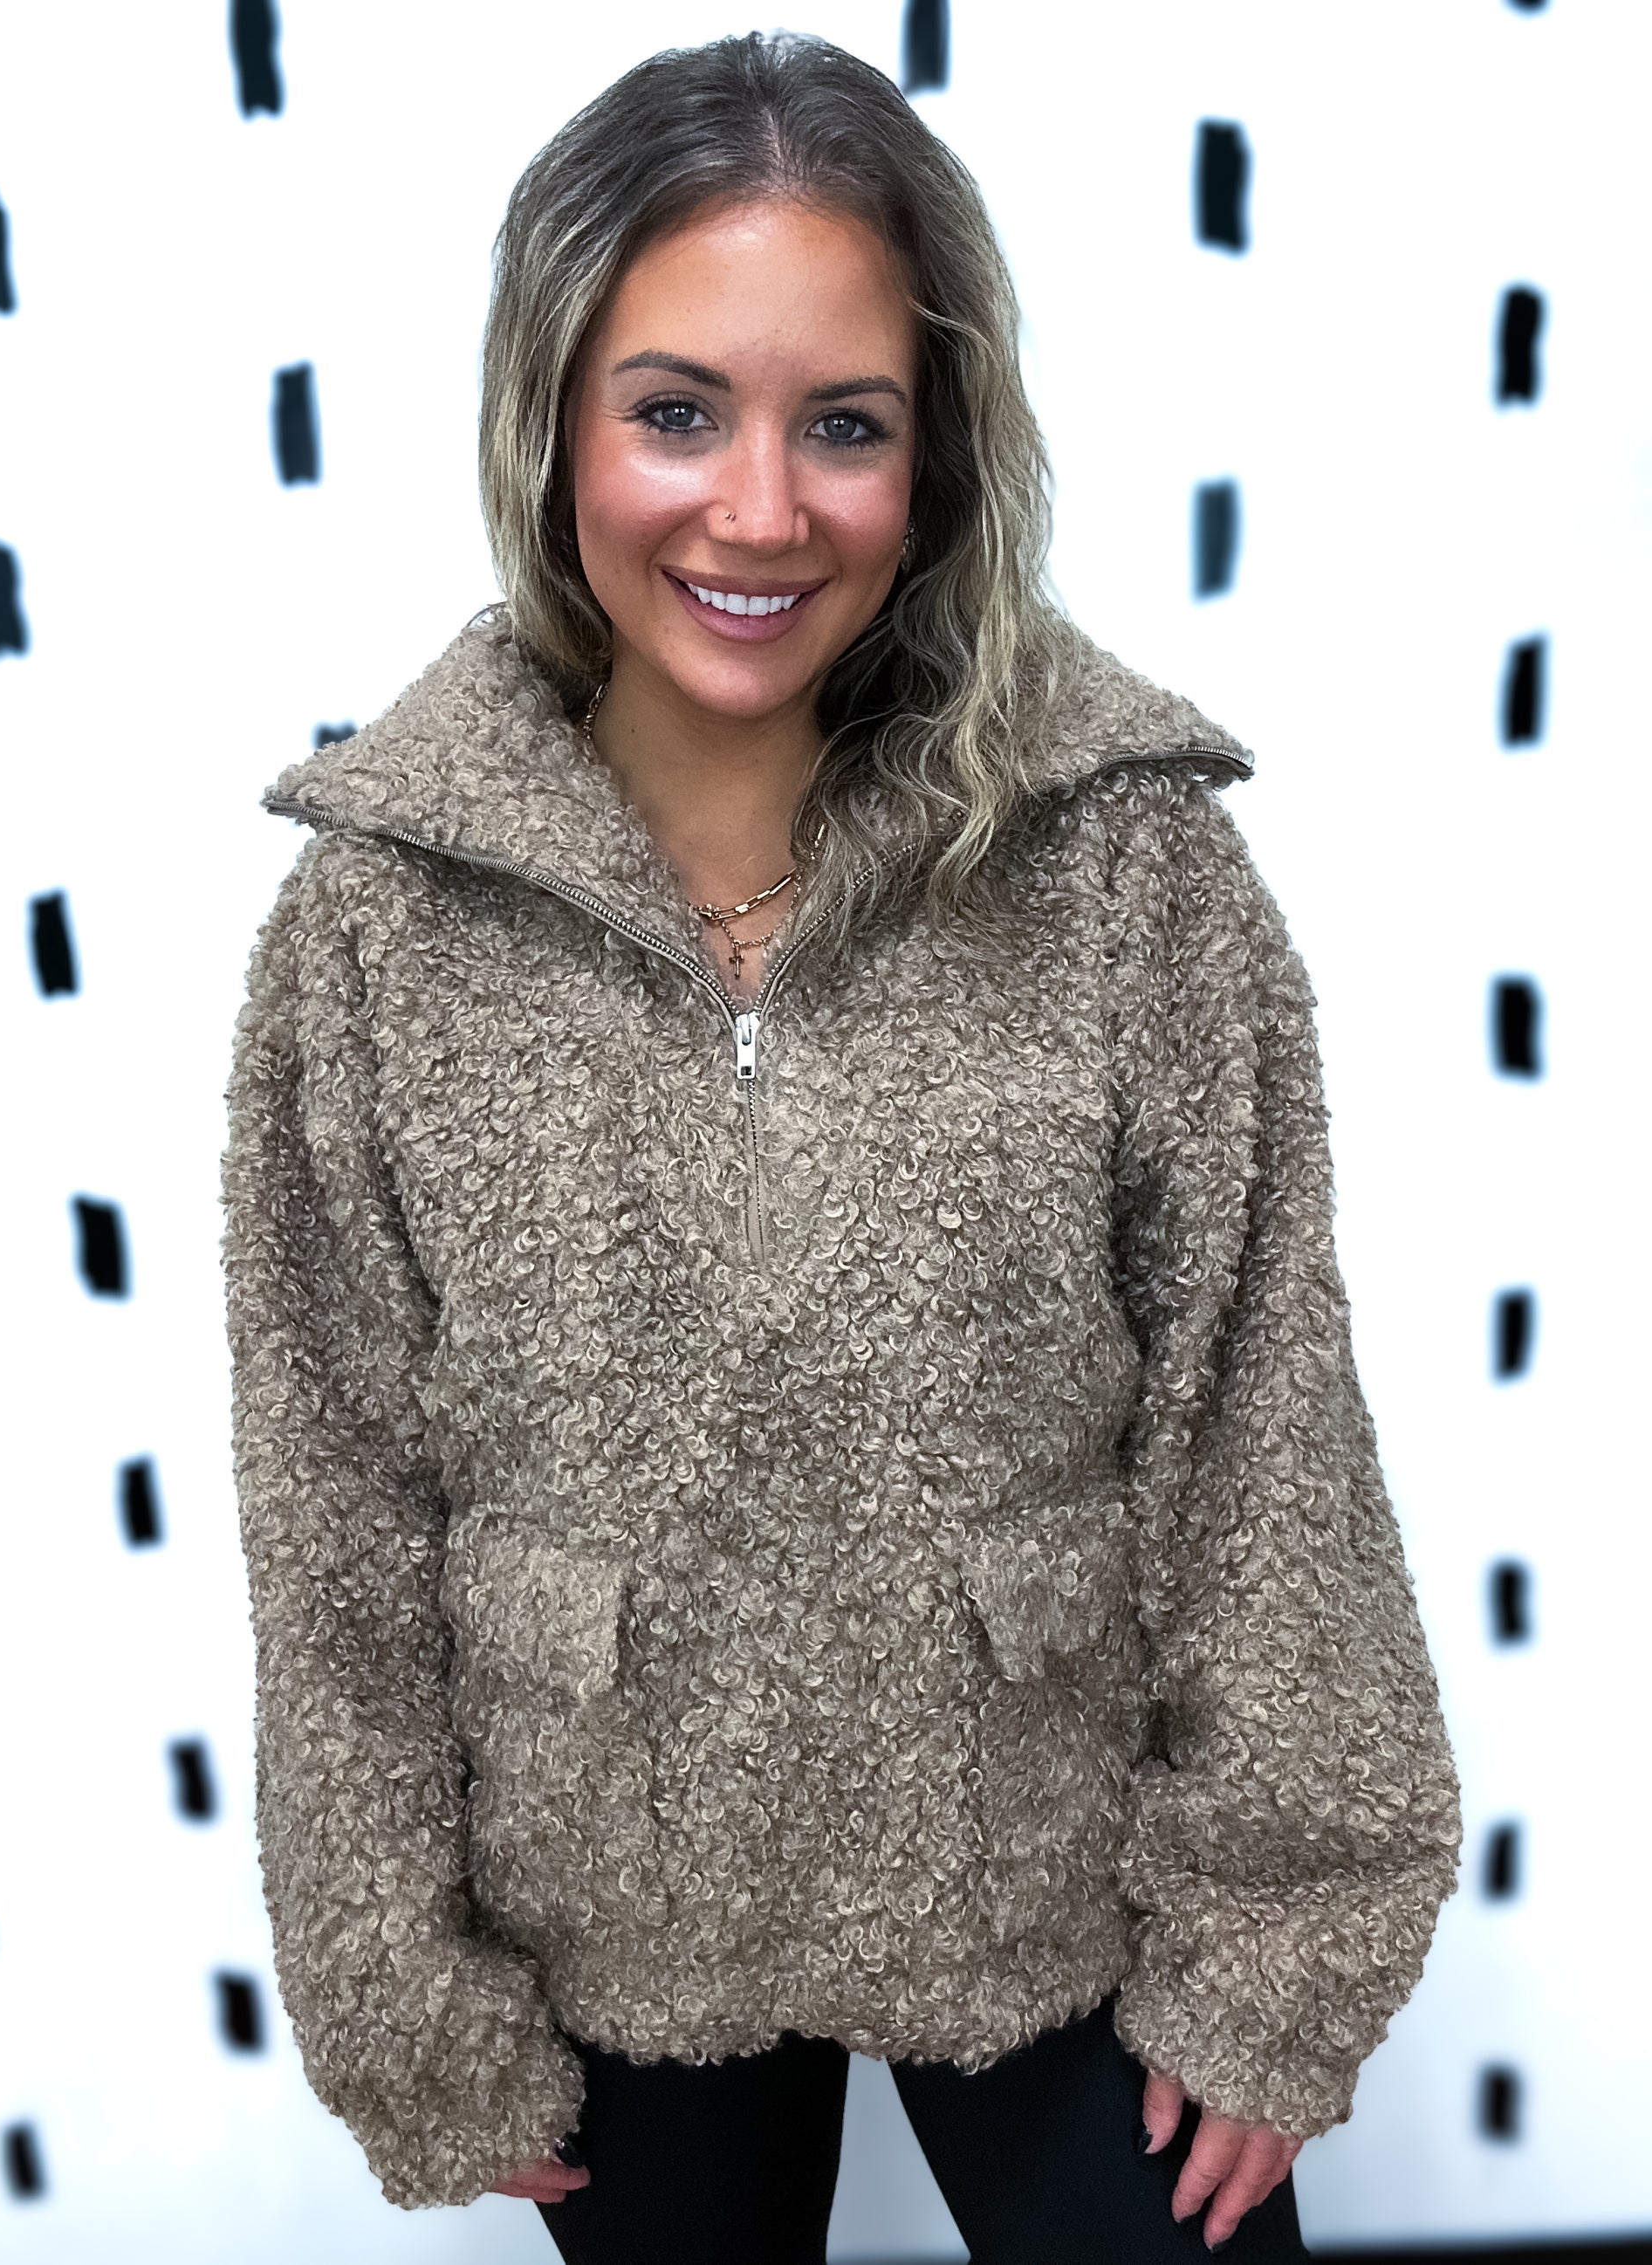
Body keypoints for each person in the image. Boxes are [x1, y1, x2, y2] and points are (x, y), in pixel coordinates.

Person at [221, 31, 1461, 2265]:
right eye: (675, 409)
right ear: (549, 418)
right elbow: (334, 1506)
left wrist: (1285, 1934)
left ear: (941, 453)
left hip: (1053, 1870)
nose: (761, 509)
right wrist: (403, 1985)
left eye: (847, 424)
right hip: (609, 1900)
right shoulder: (378, 922)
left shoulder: (1127, 867)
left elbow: (1262, 1420)